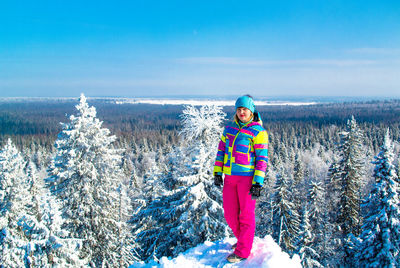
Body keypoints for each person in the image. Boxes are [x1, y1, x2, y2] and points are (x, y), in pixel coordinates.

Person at [213, 95, 269, 263]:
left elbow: (262, 159)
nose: (241, 112)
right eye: (239, 109)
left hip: (247, 180)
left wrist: (258, 182)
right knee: (230, 214)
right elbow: (221, 152)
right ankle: (245, 241)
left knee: (246, 215)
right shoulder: (228, 130)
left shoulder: (258, 132)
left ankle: (243, 250)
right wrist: (217, 172)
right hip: (229, 178)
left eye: (245, 109)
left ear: (251, 111)